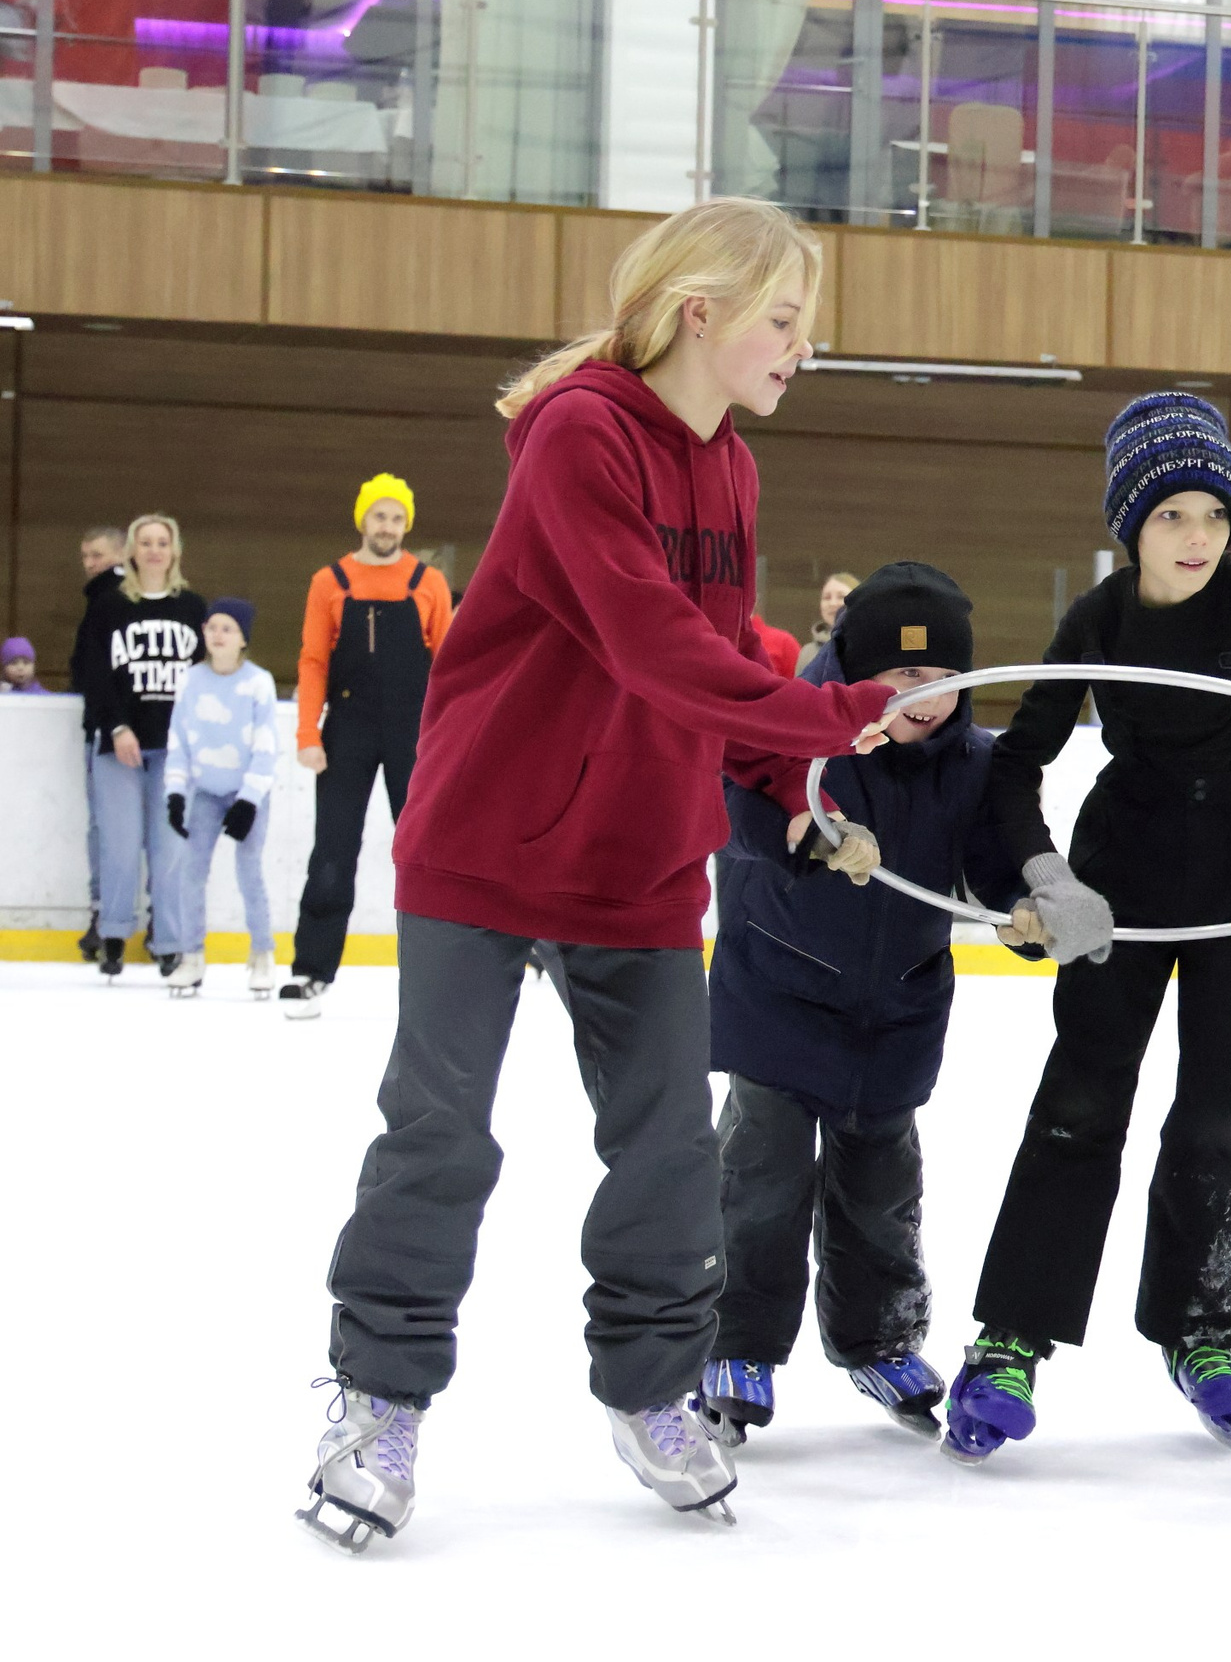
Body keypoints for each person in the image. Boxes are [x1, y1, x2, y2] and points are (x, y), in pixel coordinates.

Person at [299, 197, 899, 1555]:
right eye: (785, 319)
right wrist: (829, 712)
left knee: (670, 1147)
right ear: (704, 311)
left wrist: (780, 782)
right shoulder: (581, 434)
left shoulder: (730, 468)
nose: (802, 346)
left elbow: (719, 659)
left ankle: (649, 1387)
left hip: (635, 854)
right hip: (488, 840)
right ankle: (379, 1395)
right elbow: (646, 639)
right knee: (439, 1133)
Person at [940, 392, 1231, 1464]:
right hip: (1124, 892)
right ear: (1130, 524)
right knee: (1079, 1104)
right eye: (1170, 518)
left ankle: (1199, 1325)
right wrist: (1047, 872)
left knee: (1217, 1118)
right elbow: (1018, 764)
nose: (1195, 538)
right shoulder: (1100, 621)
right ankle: (1010, 1337)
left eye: (1211, 514)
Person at [696, 562, 1037, 1452]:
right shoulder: (799, 727)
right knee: (762, 1178)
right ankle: (736, 1343)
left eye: (940, 677)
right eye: (899, 676)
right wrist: (804, 833)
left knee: (881, 1190)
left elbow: (993, 867)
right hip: (780, 988)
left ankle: (880, 1337)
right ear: (854, 672)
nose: (922, 696)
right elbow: (738, 806)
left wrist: (1021, 914)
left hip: (897, 1006)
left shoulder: (975, 763)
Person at [280, 474, 455, 1020]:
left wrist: (450, 740)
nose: (388, 527)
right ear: (363, 520)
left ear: (408, 524)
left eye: (397, 518)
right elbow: (312, 661)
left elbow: (450, 669)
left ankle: (438, 968)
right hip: (346, 730)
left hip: (415, 733)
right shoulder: (329, 581)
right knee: (333, 849)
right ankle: (311, 968)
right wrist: (308, 733)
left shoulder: (429, 583)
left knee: (425, 852)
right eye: (379, 516)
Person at [75, 514, 206, 983]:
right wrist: (116, 728)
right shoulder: (109, 606)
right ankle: (113, 933)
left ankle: (169, 942)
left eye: (162, 542)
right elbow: (95, 674)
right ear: (132, 550)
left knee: (170, 847)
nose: (154, 550)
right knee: (119, 845)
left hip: (174, 750)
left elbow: (202, 681)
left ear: (174, 551)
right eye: (145, 542)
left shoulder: (192, 608)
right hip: (120, 745)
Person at [162, 598, 279, 999]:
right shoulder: (190, 680)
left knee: (249, 872)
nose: (217, 634)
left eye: (227, 628)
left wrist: (248, 800)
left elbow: (266, 747)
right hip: (205, 793)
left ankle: (262, 953)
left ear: (242, 638)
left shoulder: (257, 682)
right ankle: (191, 955)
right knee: (190, 873)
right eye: (211, 626)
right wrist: (175, 793)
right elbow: (177, 741)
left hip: (248, 792)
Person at [71, 524, 130, 961]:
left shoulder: (107, 601)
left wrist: (105, 722)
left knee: (109, 831)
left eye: (97, 554)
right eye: (85, 556)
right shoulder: (104, 599)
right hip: (114, 729)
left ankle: (106, 917)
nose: (89, 564)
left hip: (110, 733)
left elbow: (94, 669)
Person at [796, 569, 858, 672]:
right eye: (827, 598)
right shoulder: (808, 652)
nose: (832, 603)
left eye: (841, 597)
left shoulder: (872, 646)